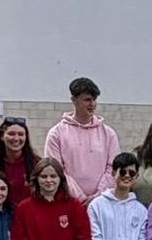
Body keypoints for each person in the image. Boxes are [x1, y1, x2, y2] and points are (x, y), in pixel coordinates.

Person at [44, 77, 121, 205]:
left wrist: (98, 197)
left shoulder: (109, 134)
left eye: (94, 100)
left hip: (102, 203)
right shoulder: (56, 134)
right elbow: (56, 170)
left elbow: (113, 168)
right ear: (74, 100)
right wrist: (79, 197)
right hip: (68, 203)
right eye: (87, 99)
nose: (92, 104)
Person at [87, 152, 148, 240]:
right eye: (122, 171)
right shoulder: (96, 206)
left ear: (136, 176)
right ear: (113, 173)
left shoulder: (142, 211)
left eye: (132, 173)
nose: (127, 176)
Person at [0, 117, 39, 209]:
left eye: (21, 134)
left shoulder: (37, 164)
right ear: (2, 137)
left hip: (30, 214)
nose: (16, 138)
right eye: (11, 134)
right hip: (1, 215)